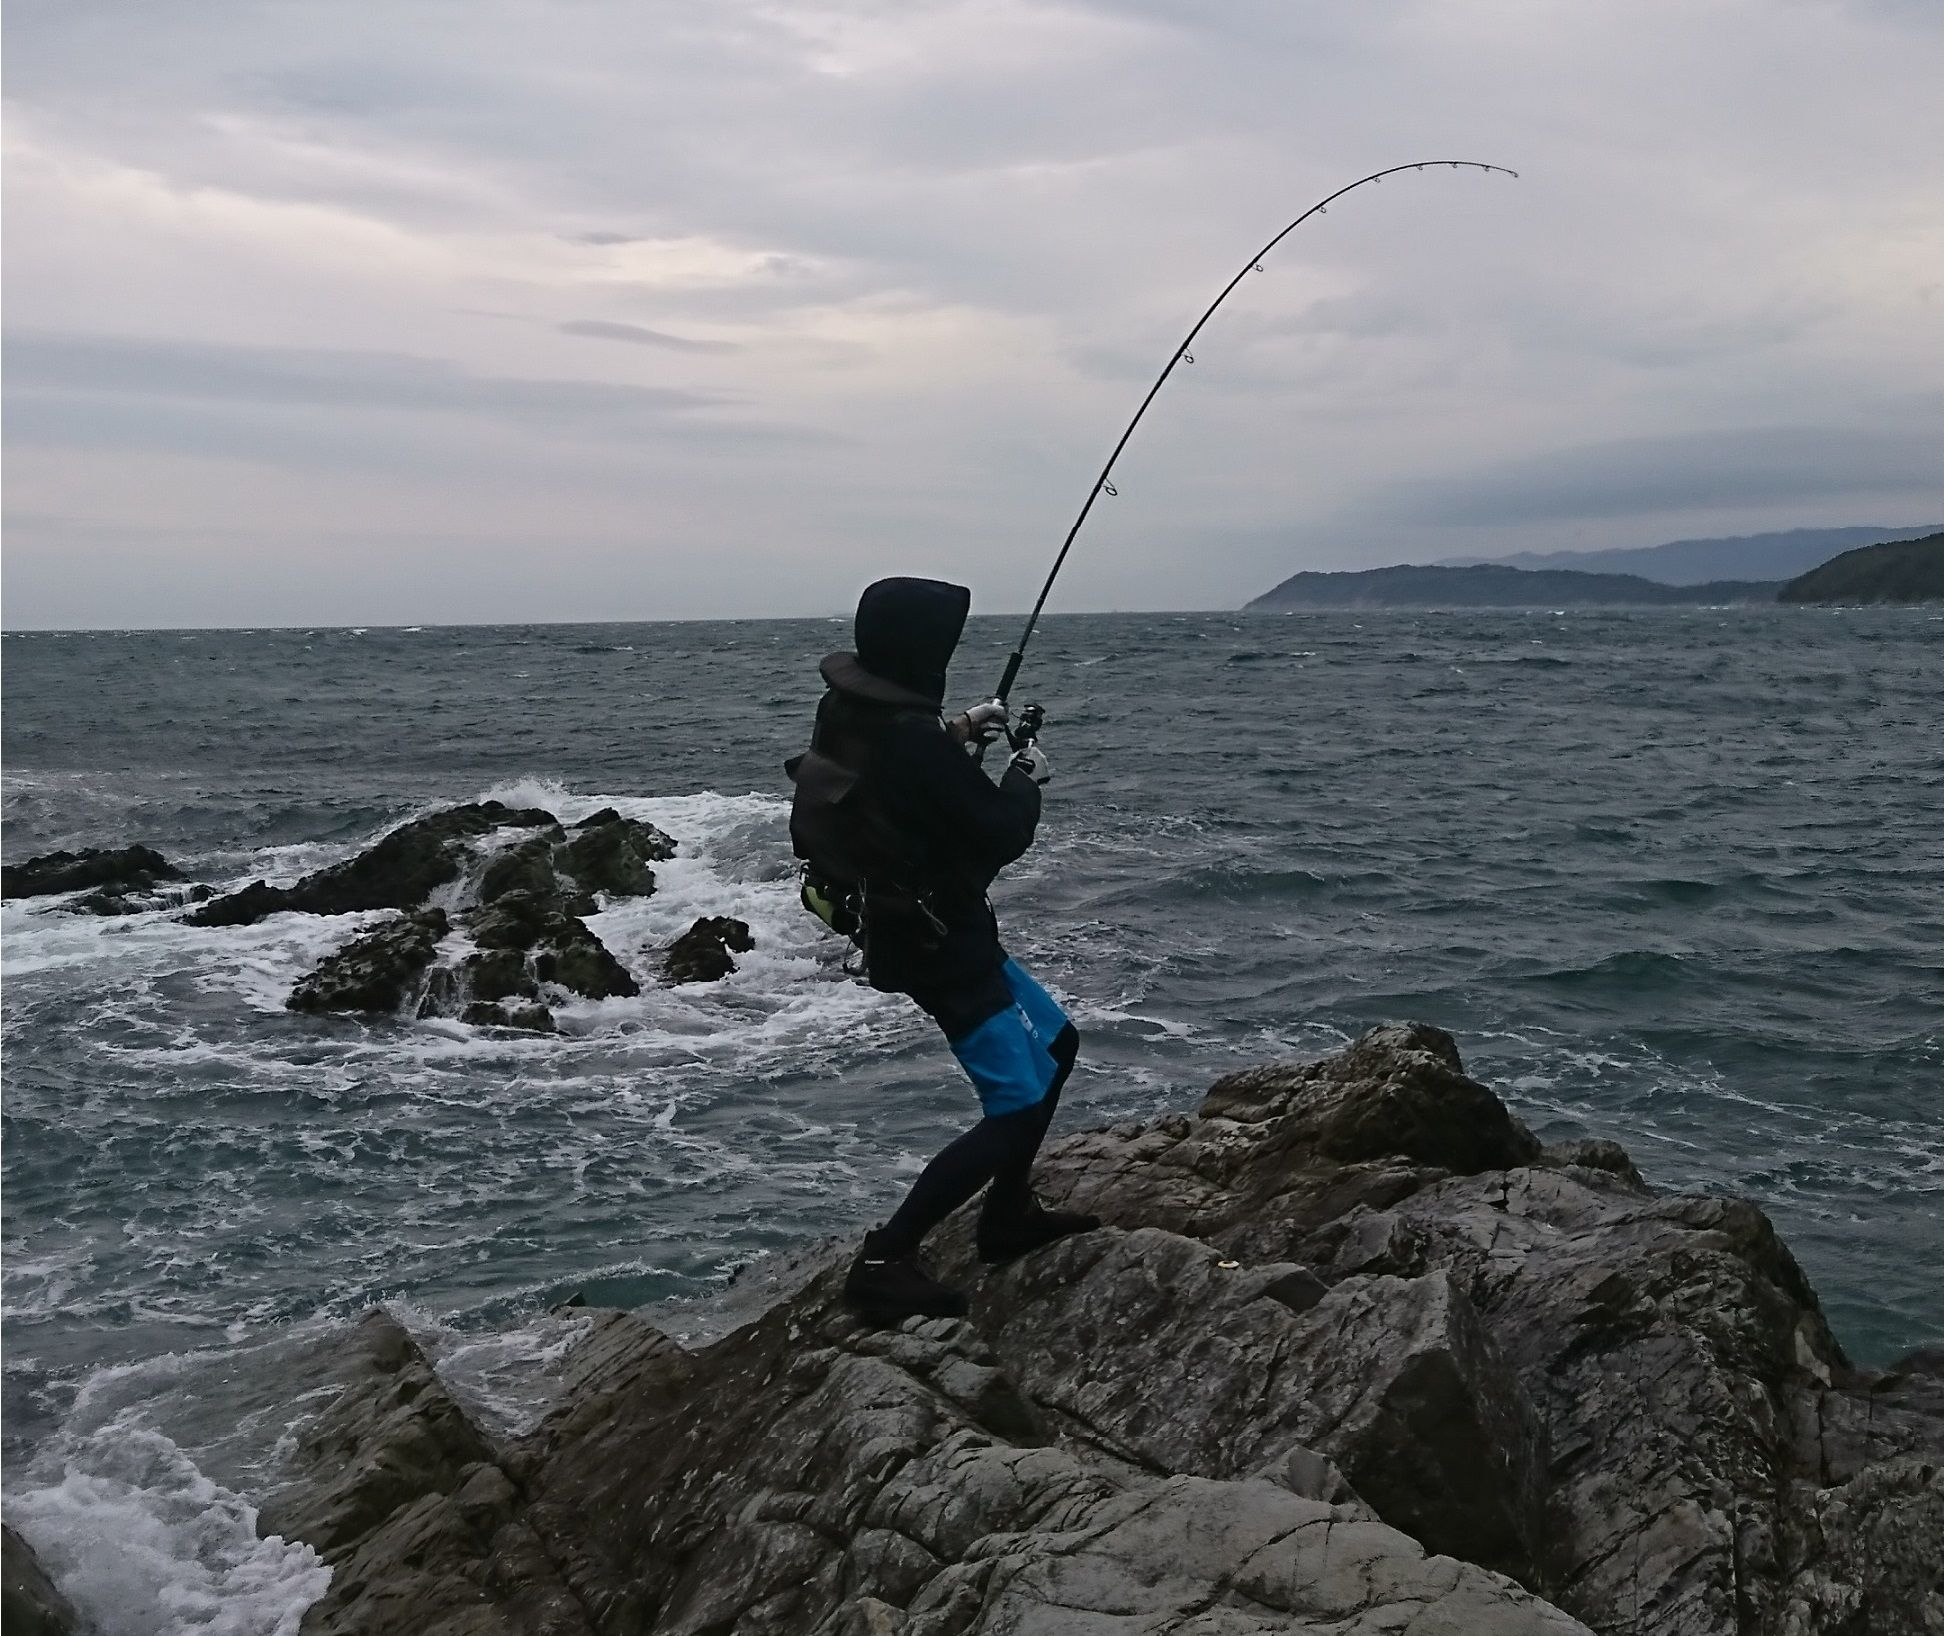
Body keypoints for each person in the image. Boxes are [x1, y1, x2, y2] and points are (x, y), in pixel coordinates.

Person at [787, 576, 1098, 1321]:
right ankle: (885, 1259)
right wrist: (1025, 775)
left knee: (1057, 1046)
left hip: (924, 924)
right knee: (1016, 1104)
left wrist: (962, 728)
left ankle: (1007, 1213)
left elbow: (891, 769)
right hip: (934, 942)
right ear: (925, 652)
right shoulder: (912, 740)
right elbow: (997, 830)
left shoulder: (848, 707)